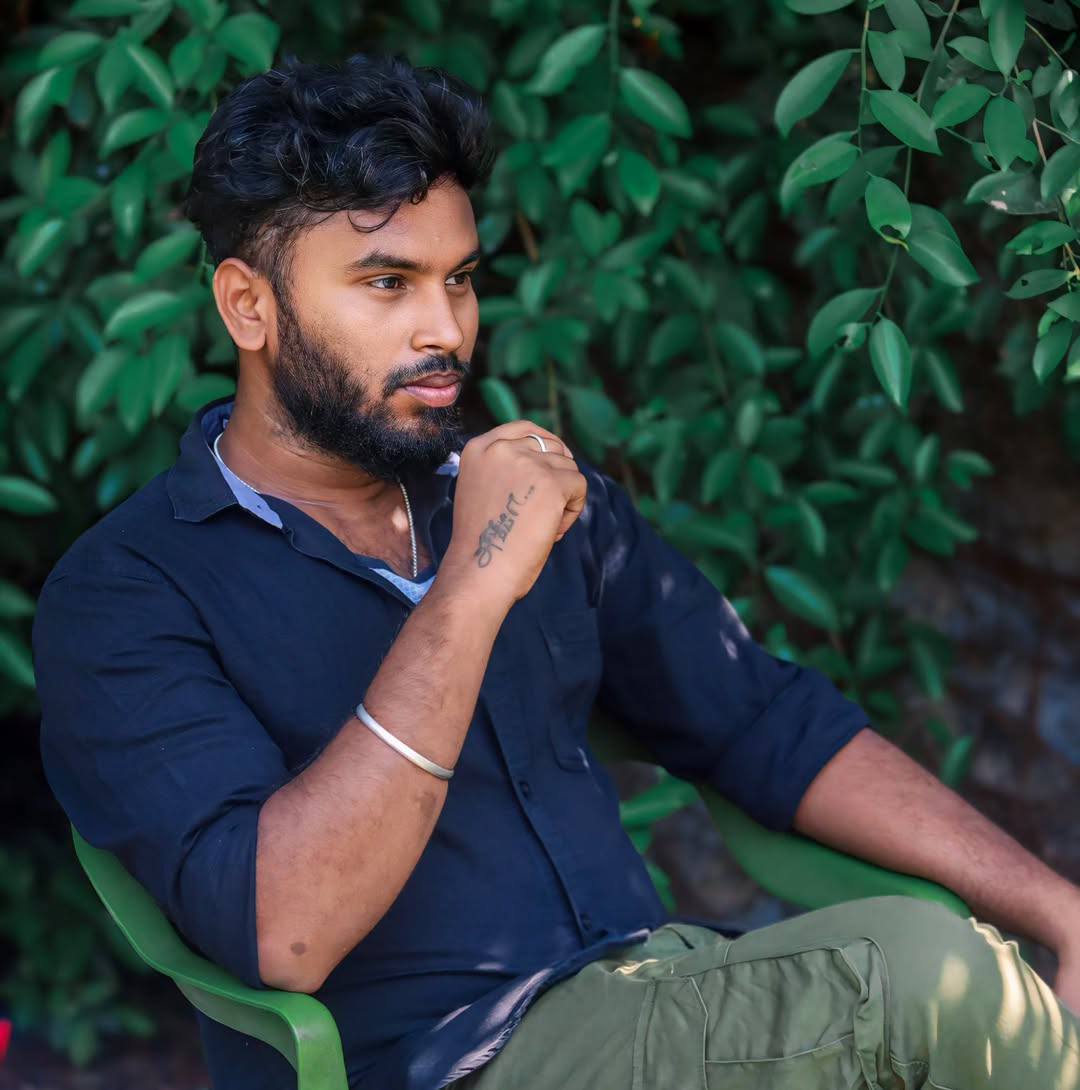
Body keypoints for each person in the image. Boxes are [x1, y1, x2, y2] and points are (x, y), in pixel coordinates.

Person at [32, 50, 1080, 1090]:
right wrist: (475, 583)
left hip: (662, 1001)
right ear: (248, 307)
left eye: (459, 279)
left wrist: (1060, 914)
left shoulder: (525, 495)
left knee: (950, 978)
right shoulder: (128, 593)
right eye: (387, 283)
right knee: (930, 977)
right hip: (446, 1062)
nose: (446, 329)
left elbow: (763, 720)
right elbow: (285, 930)